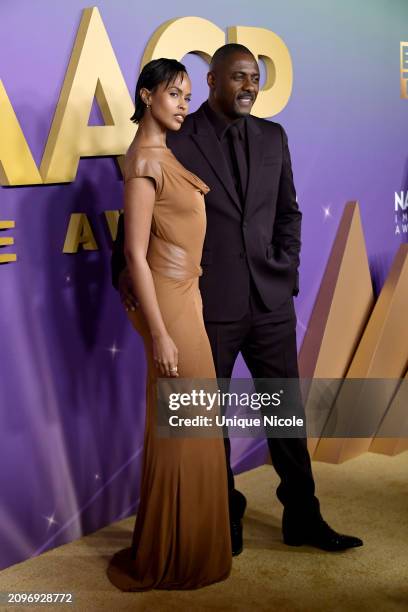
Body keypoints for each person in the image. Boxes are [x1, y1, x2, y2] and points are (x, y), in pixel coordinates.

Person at [112, 44, 363, 555]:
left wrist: (286, 272)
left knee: (284, 413)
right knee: (210, 421)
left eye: (255, 78)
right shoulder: (177, 138)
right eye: (239, 77)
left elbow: (288, 214)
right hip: (206, 305)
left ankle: (303, 515)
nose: (249, 86)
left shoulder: (274, 136)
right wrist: (144, 302)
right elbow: (137, 233)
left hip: (270, 302)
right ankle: (223, 512)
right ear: (212, 80)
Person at [106, 58, 232, 591]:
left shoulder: (165, 154)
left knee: (194, 429)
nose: (183, 103)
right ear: (146, 96)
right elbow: (135, 255)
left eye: (185, 94)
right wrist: (158, 332)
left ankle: (191, 544)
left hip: (187, 297)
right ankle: (175, 553)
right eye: (174, 94)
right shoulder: (143, 164)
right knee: (187, 429)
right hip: (168, 306)